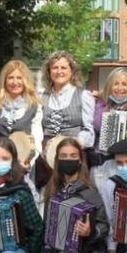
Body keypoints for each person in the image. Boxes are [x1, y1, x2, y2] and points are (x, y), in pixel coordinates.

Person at [28, 138, 108, 253]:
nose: (68, 159)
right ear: (57, 160)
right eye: (63, 156)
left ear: (80, 160)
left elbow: (104, 226)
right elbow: (48, 229)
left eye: (73, 155)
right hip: (59, 251)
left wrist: (91, 231)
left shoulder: (89, 191)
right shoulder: (53, 189)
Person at [36, 51, 96, 189]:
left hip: (72, 157)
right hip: (46, 158)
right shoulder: (41, 96)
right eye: (55, 67)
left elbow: (89, 130)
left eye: (63, 68)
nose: (59, 71)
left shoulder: (83, 95)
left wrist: (74, 143)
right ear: (49, 71)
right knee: (47, 198)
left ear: (72, 71)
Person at [0, 59, 44, 211]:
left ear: (25, 80)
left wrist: (26, 162)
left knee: (24, 207)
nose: (15, 82)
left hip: (23, 166)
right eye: (11, 78)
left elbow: (37, 137)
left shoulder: (34, 105)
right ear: (5, 80)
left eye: (19, 78)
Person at [88, 67, 127, 189]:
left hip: (124, 166)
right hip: (101, 164)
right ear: (109, 86)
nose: (120, 88)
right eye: (115, 84)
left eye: (124, 84)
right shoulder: (99, 104)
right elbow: (96, 124)